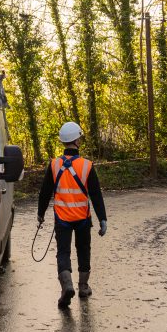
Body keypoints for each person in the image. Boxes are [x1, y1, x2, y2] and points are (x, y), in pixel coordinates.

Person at [37, 121, 108, 309]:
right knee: (83, 250)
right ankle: (83, 287)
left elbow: (44, 193)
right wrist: (102, 219)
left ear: (63, 142)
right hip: (83, 219)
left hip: (62, 219)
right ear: (77, 140)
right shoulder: (86, 165)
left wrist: (40, 214)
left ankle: (66, 285)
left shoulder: (54, 165)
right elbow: (96, 194)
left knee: (63, 252)